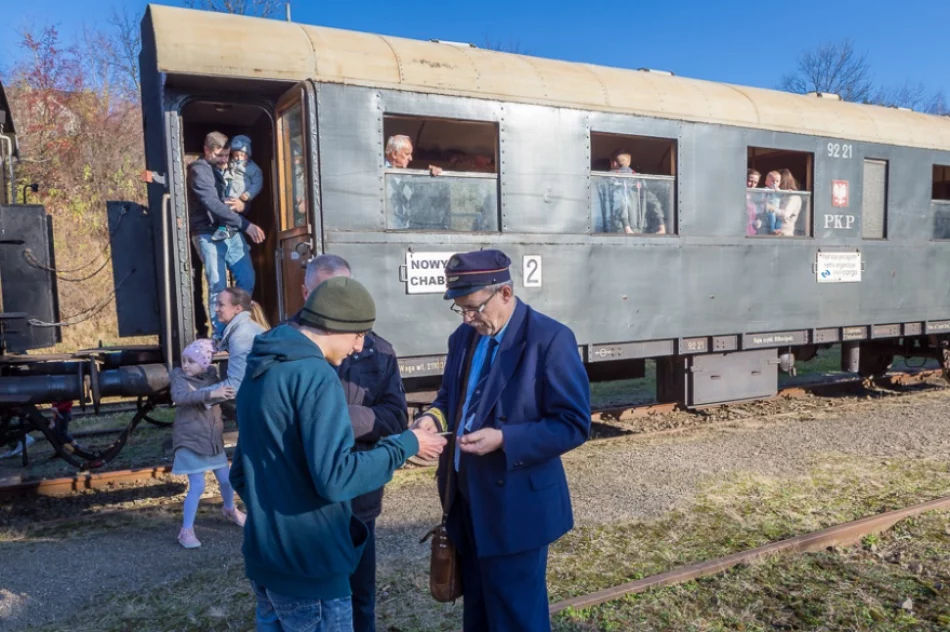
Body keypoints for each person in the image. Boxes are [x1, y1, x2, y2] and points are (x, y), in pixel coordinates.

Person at [230, 277, 446, 632]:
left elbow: (241, 471)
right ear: (333, 325)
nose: (359, 346)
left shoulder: (261, 364)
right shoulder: (316, 375)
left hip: (265, 560)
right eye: (358, 334)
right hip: (312, 566)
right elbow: (337, 478)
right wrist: (406, 444)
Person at [412, 249, 591, 632]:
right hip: (465, 501)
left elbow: (573, 423)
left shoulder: (549, 339)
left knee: (515, 616)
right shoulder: (464, 337)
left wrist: (505, 439)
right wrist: (431, 418)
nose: (467, 318)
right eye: (460, 309)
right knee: (477, 613)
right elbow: (449, 397)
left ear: (505, 293)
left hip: (516, 509)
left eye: (473, 308)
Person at [301, 255, 407, 632]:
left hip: (360, 497)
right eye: (328, 293)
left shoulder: (379, 349)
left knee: (360, 596)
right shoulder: (289, 347)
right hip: (308, 503)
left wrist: (333, 418)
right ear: (306, 294)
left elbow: (396, 416)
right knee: (313, 601)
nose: (339, 304)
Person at [188, 131, 266, 338]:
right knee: (217, 284)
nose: (224, 160)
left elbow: (237, 202)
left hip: (231, 229)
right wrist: (246, 225)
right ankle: (220, 335)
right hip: (207, 232)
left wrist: (243, 206)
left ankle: (239, 327)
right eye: (219, 155)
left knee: (247, 279)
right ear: (206, 150)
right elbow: (213, 204)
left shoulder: (230, 169)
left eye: (226, 155)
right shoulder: (199, 170)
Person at [170, 338, 244, 550]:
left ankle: (230, 509)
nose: (185, 365)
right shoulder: (179, 377)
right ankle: (186, 531)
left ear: (204, 363)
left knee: (227, 480)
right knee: (198, 485)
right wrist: (212, 393)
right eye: (184, 360)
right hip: (190, 440)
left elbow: (222, 402)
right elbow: (180, 397)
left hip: (212, 440)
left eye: (191, 361)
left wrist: (237, 414)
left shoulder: (212, 377)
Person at [204, 286, 269, 419]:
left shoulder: (241, 336)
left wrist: (197, 396)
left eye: (221, 305)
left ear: (237, 309)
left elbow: (235, 385)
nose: (216, 309)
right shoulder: (246, 328)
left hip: (262, 404)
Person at [213, 135, 264, 242]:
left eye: (242, 155)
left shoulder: (253, 169)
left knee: (233, 211)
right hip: (230, 191)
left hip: (241, 195)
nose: (239, 158)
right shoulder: (231, 163)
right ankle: (224, 229)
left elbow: (257, 184)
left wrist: (249, 194)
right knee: (224, 209)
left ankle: (228, 230)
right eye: (236, 155)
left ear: (248, 154)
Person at [605, 149, 666, 235]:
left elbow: (619, 201)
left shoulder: (610, 178)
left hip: (619, 229)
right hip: (640, 228)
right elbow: (653, 201)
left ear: (614, 163)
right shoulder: (640, 179)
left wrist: (626, 227)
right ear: (629, 162)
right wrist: (661, 224)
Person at [774, 168, 803, 236]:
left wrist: (770, 208)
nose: (774, 183)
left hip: (784, 234)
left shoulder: (794, 196)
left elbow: (785, 214)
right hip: (774, 233)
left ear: (783, 181)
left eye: (777, 181)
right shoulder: (779, 195)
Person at [745, 168, 761, 236]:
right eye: (750, 181)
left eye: (755, 182)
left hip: (751, 233)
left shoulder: (756, 197)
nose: (752, 185)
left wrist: (758, 221)